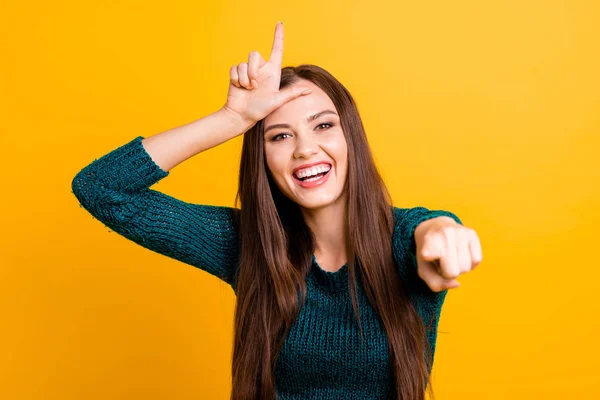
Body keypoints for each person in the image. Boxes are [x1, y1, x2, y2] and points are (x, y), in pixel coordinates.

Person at [71, 22, 482, 400]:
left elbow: (434, 231)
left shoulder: (402, 239)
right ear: (263, 157)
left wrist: (445, 237)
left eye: (323, 126)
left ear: (350, 138)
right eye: (280, 135)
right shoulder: (248, 244)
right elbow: (101, 188)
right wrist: (232, 118)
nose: (305, 148)